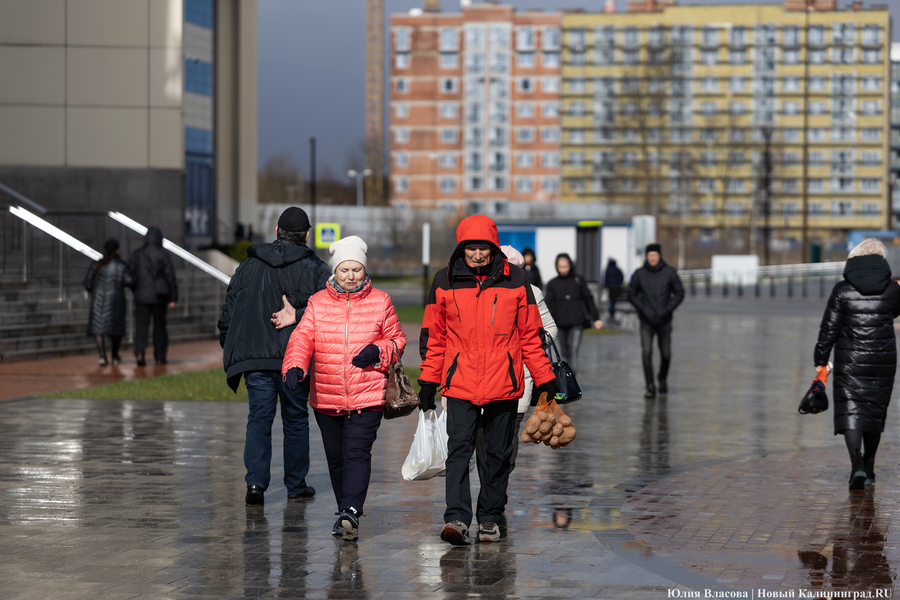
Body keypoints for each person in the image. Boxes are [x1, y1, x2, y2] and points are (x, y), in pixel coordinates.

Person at [418, 215, 559, 545]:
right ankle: (456, 517)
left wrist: (545, 378)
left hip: (503, 383)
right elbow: (434, 337)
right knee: (458, 452)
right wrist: (428, 381)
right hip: (460, 383)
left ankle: (491, 517)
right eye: (471, 248)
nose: (477, 255)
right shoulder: (444, 281)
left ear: (493, 248)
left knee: (497, 455)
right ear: (461, 249)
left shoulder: (516, 281)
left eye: (483, 248)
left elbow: (530, 336)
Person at [282, 236, 406, 540]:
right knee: (336, 458)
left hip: (368, 393)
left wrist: (379, 351)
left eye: (356, 270)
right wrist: (295, 365)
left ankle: (352, 511)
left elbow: (397, 340)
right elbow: (302, 337)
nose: (350, 276)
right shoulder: (317, 302)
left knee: (357, 453)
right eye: (344, 270)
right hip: (326, 395)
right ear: (334, 272)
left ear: (364, 271)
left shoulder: (381, 301)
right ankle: (344, 511)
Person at [218, 207, 331, 506]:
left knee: (259, 419)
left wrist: (228, 346)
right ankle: (295, 484)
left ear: (277, 232)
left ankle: (255, 484)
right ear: (307, 236)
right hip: (296, 359)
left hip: (256, 359)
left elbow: (228, 312)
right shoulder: (317, 269)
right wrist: (301, 315)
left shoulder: (248, 266)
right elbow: (331, 310)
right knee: (295, 420)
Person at [813, 238, 900, 491]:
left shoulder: (842, 289)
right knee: (874, 411)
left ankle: (856, 464)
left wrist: (820, 360)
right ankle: (870, 469)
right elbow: (893, 312)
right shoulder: (893, 289)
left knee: (851, 411)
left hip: (849, 361)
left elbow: (829, 328)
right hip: (882, 360)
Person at [472, 245, 557, 482]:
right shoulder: (479, 291)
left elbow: (550, 329)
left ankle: (498, 490)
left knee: (507, 439)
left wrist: (527, 343)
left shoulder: (534, 293)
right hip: (482, 379)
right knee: (482, 439)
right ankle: (488, 490)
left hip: (518, 378)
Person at [628, 243, 684, 398]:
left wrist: (667, 309)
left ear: (659, 256)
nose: (652, 258)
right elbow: (631, 294)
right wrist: (642, 308)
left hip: (664, 320)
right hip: (646, 320)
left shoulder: (670, 272)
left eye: (655, 255)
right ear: (646, 257)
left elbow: (680, 293)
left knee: (665, 353)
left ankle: (662, 377)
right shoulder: (639, 273)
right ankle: (650, 386)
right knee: (646, 352)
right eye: (650, 255)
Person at [543, 253, 603, 376]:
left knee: (574, 351)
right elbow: (547, 305)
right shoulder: (552, 284)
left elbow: (588, 299)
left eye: (566, 266)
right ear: (556, 267)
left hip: (577, 322)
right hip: (559, 323)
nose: (563, 270)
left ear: (570, 265)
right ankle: (566, 379)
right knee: (564, 353)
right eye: (561, 267)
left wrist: (596, 318)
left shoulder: (578, 280)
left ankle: (572, 378)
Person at [128, 226, 178, 366]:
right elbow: (170, 277)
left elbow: (130, 275)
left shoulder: (137, 254)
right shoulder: (164, 254)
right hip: (159, 296)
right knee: (160, 327)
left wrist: (136, 289)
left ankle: (140, 353)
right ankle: (160, 356)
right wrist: (173, 297)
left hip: (141, 296)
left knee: (141, 326)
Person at [85, 239, 133, 366]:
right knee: (115, 329)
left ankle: (102, 355)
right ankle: (115, 356)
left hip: (98, 300)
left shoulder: (98, 264)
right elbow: (129, 281)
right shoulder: (121, 265)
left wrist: (96, 292)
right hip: (115, 301)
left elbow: (88, 283)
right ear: (117, 250)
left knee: (99, 328)